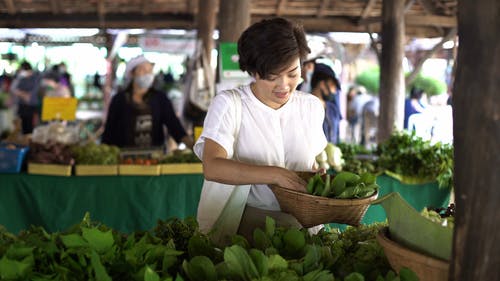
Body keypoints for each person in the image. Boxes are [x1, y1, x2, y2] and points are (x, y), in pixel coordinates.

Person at [194, 17, 327, 243]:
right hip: (246, 222)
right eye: (272, 77)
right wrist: (274, 174)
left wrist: (315, 178)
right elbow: (212, 167)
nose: (284, 85)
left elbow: (309, 162)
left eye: (293, 74)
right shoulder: (230, 104)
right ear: (254, 72)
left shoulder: (311, 107)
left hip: (303, 223)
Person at [102, 55, 193, 149]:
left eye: (150, 71)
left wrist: (192, 146)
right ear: (132, 73)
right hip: (124, 157)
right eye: (143, 70)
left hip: (154, 157)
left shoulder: (160, 99)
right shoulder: (119, 100)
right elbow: (109, 131)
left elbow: (174, 126)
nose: (148, 74)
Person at [310, 63, 342, 144]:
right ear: (322, 84)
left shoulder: (333, 110)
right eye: (332, 85)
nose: (334, 91)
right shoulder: (303, 107)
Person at [9, 61, 41, 134]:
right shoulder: (20, 78)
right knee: (23, 126)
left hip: (32, 106)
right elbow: (13, 89)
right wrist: (23, 94)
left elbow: (33, 92)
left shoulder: (35, 77)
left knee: (31, 127)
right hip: (22, 105)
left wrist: (21, 93)